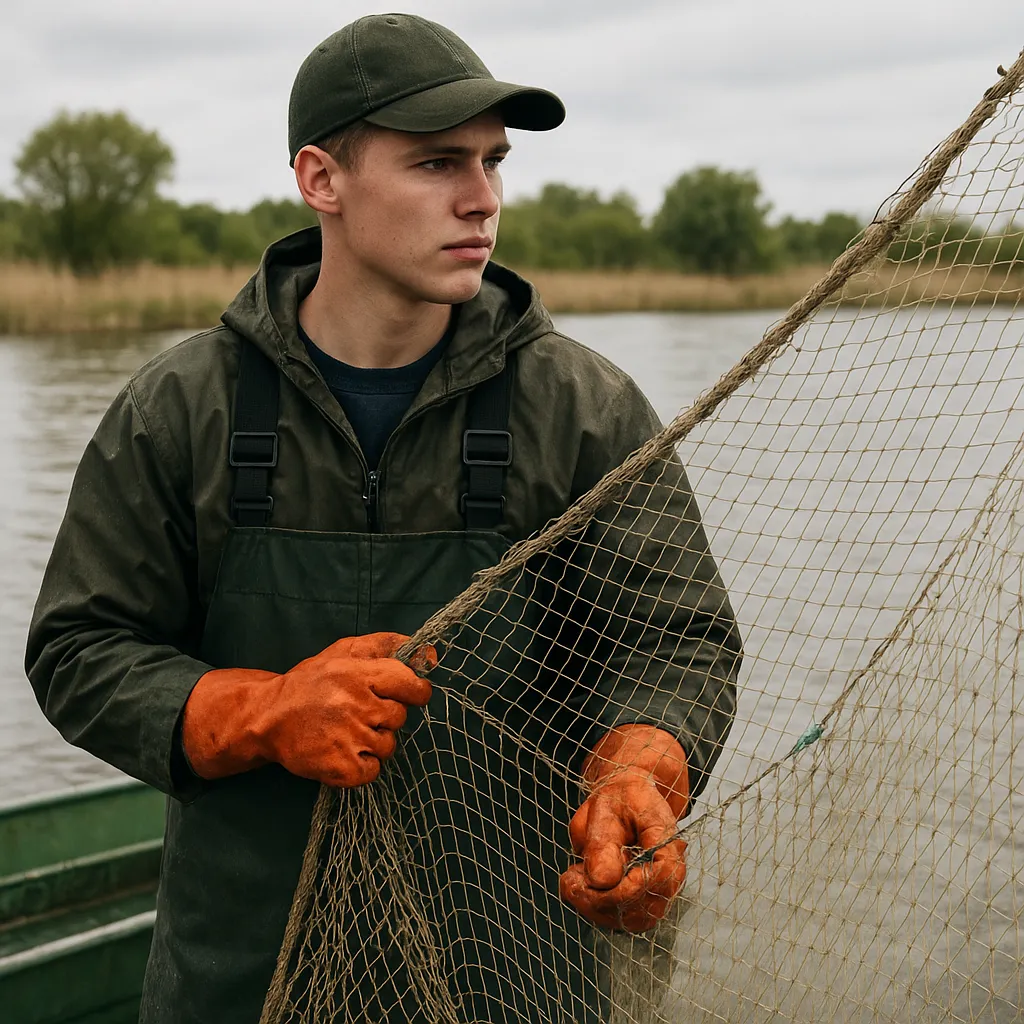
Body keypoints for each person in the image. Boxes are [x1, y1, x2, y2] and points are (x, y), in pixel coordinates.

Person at [25, 13, 741, 1024]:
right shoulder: (180, 407)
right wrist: (263, 712)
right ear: (322, 179)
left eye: (494, 162)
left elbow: (678, 640)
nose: (483, 198)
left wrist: (642, 763)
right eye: (437, 162)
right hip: (244, 968)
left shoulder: (584, 407)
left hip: (515, 969)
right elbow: (78, 649)